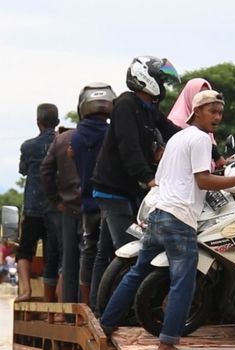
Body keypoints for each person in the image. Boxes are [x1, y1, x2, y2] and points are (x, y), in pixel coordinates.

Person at [100, 90, 235, 350]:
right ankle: (167, 343)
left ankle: (106, 325)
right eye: (213, 111)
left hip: (159, 213)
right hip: (179, 218)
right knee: (183, 280)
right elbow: (204, 180)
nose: (218, 117)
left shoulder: (177, 138)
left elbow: (165, 177)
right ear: (197, 111)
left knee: (136, 272)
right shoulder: (200, 139)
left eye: (220, 112)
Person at [90, 56, 182, 310]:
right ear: (145, 78)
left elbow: (171, 129)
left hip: (124, 189)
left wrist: (205, 142)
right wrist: (149, 178)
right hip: (113, 189)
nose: (163, 85)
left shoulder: (148, 108)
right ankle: (121, 310)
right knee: (127, 250)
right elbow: (128, 146)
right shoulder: (126, 104)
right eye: (160, 79)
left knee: (104, 252)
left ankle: (98, 306)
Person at [70, 82, 116, 306]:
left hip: (87, 201)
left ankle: (87, 302)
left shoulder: (75, 137)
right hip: (109, 198)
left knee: (89, 250)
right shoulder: (111, 133)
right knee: (113, 252)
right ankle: (106, 301)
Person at [16, 103, 60, 302]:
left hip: (33, 208)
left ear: (38, 123)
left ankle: (26, 291)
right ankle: (54, 298)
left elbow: (23, 170)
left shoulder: (28, 146)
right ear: (57, 122)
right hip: (57, 208)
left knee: (25, 251)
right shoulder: (63, 142)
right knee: (55, 255)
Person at [42, 124, 81, 306]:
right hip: (97, 204)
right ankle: (91, 306)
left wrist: (56, 199)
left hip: (68, 207)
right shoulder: (107, 133)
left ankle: (65, 310)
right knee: (95, 256)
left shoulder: (61, 140)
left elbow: (46, 171)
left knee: (68, 258)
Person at [167, 77, 225, 170]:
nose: (217, 117)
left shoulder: (205, 124)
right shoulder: (176, 122)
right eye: (200, 94)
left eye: (207, 95)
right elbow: (201, 177)